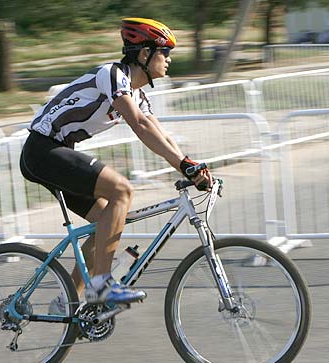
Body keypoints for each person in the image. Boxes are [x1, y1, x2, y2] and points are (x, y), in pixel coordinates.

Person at [20, 18, 212, 305]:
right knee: (121, 191)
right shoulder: (112, 75)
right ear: (145, 54)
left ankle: (70, 300)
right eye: (165, 53)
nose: (169, 60)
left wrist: (190, 165)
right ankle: (101, 284)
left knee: (105, 225)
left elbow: (160, 135)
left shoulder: (138, 95)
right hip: (42, 150)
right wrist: (183, 164)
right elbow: (138, 125)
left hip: (57, 153)